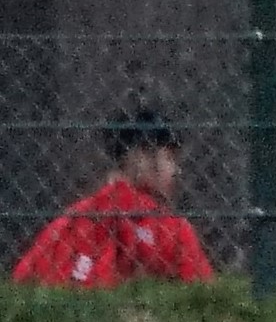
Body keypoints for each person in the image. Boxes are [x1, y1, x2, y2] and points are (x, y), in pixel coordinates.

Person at [18, 105, 214, 287]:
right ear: (142, 156)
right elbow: (200, 285)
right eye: (169, 158)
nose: (175, 170)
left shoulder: (77, 216)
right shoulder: (172, 227)